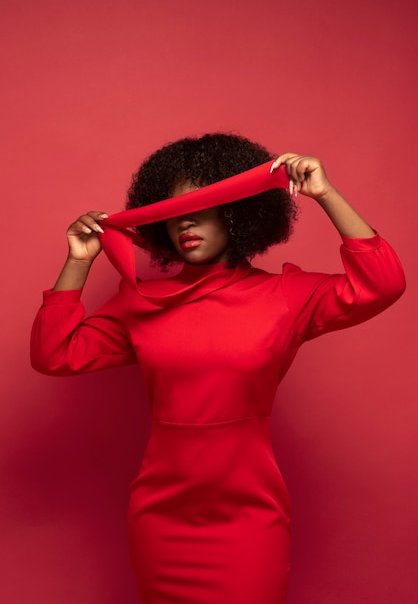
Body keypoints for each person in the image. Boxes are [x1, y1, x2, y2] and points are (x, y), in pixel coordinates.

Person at [30, 133, 405, 604]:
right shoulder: (141, 302)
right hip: (160, 517)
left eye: (203, 206)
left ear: (238, 212)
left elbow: (384, 283)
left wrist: (325, 193)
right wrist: (78, 262)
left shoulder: (286, 296)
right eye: (171, 212)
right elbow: (53, 353)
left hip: (247, 517)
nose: (184, 221)